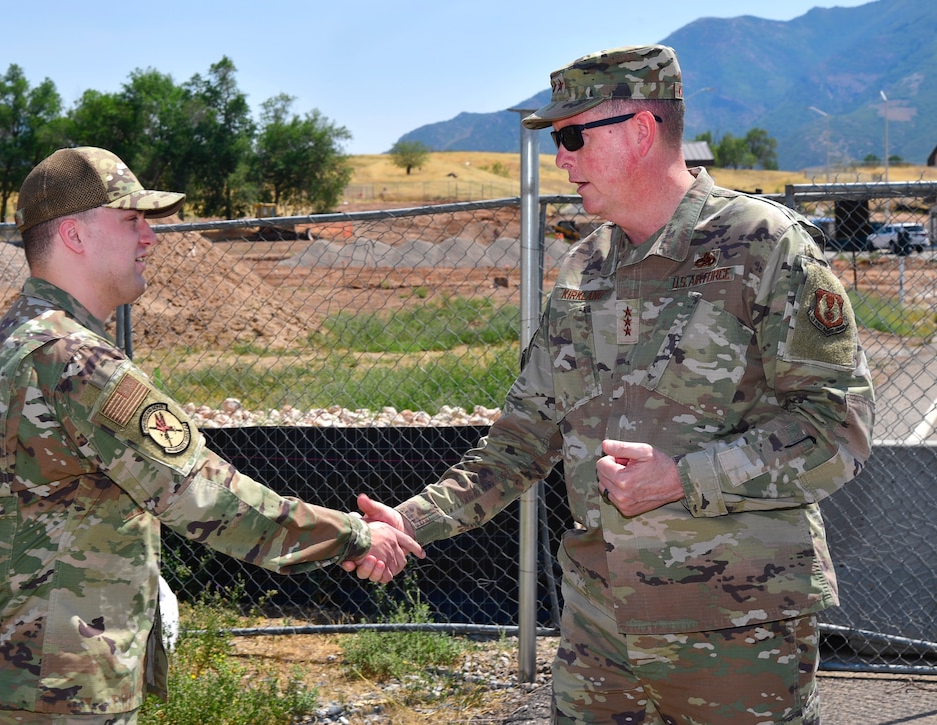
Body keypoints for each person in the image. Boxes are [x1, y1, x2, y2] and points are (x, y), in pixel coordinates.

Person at [346, 44, 874, 724]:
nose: (560, 160)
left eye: (572, 137)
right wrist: (412, 519)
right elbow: (521, 439)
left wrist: (684, 477)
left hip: (736, 628)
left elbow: (838, 427)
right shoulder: (584, 269)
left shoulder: (764, 246)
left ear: (641, 130)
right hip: (599, 632)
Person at [0, 146, 423, 723]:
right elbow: (201, 494)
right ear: (73, 235)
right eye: (132, 220)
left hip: (4, 667)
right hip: (62, 685)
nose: (150, 237)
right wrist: (355, 536)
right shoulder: (76, 360)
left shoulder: (2, 344)